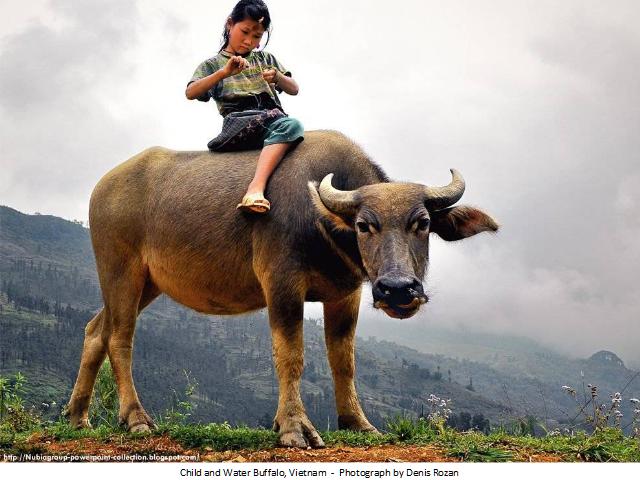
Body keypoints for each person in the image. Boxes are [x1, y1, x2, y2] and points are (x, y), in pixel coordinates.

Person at [185, 0, 303, 214]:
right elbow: (191, 92)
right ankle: (256, 187)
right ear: (230, 24)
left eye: (257, 36)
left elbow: (294, 89)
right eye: (245, 31)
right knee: (291, 126)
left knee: (291, 131)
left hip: (272, 119)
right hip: (240, 120)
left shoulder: (266, 59)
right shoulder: (213, 64)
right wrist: (224, 73)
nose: (249, 41)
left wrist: (277, 77)